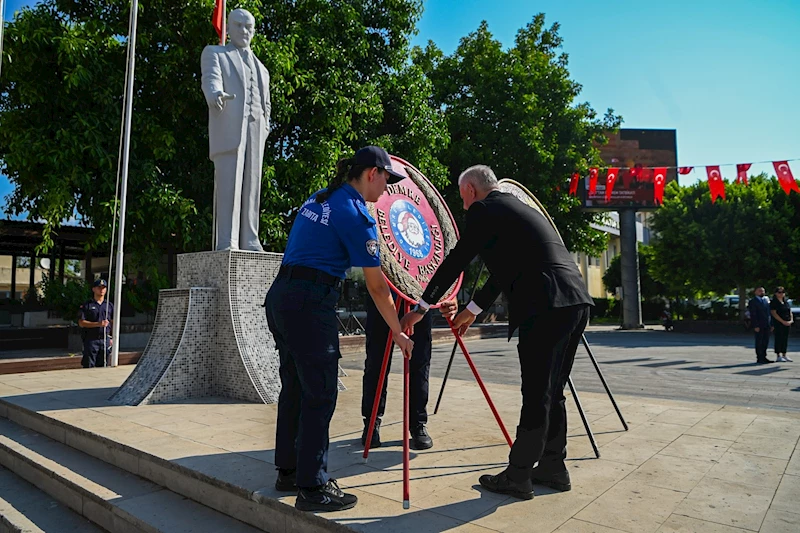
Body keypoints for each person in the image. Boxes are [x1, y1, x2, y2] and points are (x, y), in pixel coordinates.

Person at [400, 165, 594, 500]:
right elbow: (506, 271)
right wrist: (472, 311)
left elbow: (456, 260)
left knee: (537, 393)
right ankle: (553, 467)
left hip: (545, 304)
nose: (464, 207)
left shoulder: (484, 210)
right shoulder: (517, 209)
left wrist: (420, 308)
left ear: (472, 191)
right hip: (575, 300)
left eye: (463, 198)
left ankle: (519, 475)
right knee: (553, 390)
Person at [265, 146, 414, 513]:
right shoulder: (355, 213)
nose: (387, 189)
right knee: (321, 393)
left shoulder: (318, 198)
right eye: (386, 180)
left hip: (281, 297)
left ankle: (289, 469)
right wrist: (397, 331)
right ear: (371, 173)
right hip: (310, 303)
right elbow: (378, 287)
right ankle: (313, 486)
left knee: (296, 387)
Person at [201, 8, 271, 252]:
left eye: (248, 27)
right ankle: (227, 240)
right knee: (229, 186)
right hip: (230, 129)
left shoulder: (262, 69)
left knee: (253, 187)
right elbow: (210, 79)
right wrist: (214, 94)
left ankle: (250, 239)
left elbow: (265, 101)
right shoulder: (216, 53)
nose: (244, 31)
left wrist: (266, 123)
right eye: (239, 25)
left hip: (256, 128)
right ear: (228, 28)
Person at [361, 292, 434, 450]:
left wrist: (449, 295)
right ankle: (371, 422)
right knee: (376, 364)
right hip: (383, 297)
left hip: (420, 298)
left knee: (420, 363)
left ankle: (418, 424)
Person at [78, 279, 114, 368]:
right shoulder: (87, 305)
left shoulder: (109, 305)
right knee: (89, 365)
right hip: (91, 339)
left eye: (103, 288)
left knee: (103, 365)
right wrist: (98, 324)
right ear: (94, 289)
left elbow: (113, 321)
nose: (101, 290)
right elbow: (81, 322)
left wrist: (112, 337)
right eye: (99, 288)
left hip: (105, 339)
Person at [748, 287, 772, 364]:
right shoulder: (753, 301)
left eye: (763, 291)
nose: (762, 292)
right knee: (759, 341)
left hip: (766, 324)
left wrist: (771, 324)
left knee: (765, 341)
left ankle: (764, 356)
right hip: (759, 324)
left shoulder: (766, 300)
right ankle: (759, 357)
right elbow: (753, 314)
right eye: (760, 291)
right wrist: (755, 325)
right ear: (755, 292)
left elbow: (769, 313)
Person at [770, 287, 793, 362]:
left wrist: (791, 320)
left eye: (782, 292)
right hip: (778, 323)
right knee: (778, 338)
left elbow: (789, 311)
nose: (781, 294)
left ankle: (784, 354)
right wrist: (782, 321)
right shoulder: (774, 302)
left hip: (787, 323)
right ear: (776, 293)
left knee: (785, 339)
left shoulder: (785, 302)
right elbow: (774, 313)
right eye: (779, 292)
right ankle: (778, 355)